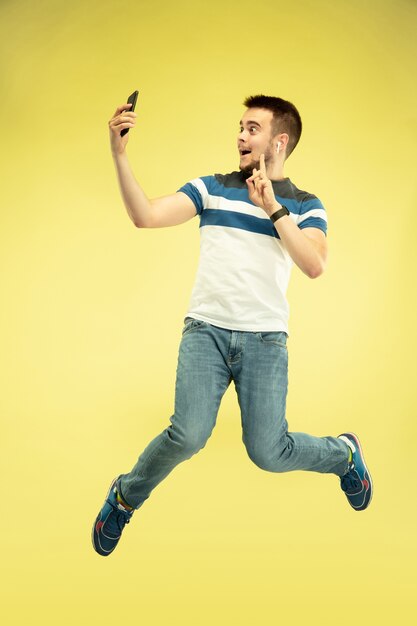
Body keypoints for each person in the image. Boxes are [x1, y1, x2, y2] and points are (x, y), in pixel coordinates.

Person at [92, 94, 373, 557]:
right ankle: (124, 496)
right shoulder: (212, 188)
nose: (241, 136)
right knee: (188, 434)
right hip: (206, 333)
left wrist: (273, 209)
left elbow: (314, 264)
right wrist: (119, 155)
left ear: (279, 142)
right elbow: (145, 216)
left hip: (264, 341)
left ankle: (343, 455)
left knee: (268, 453)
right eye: (239, 127)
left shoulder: (305, 204)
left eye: (252, 129)